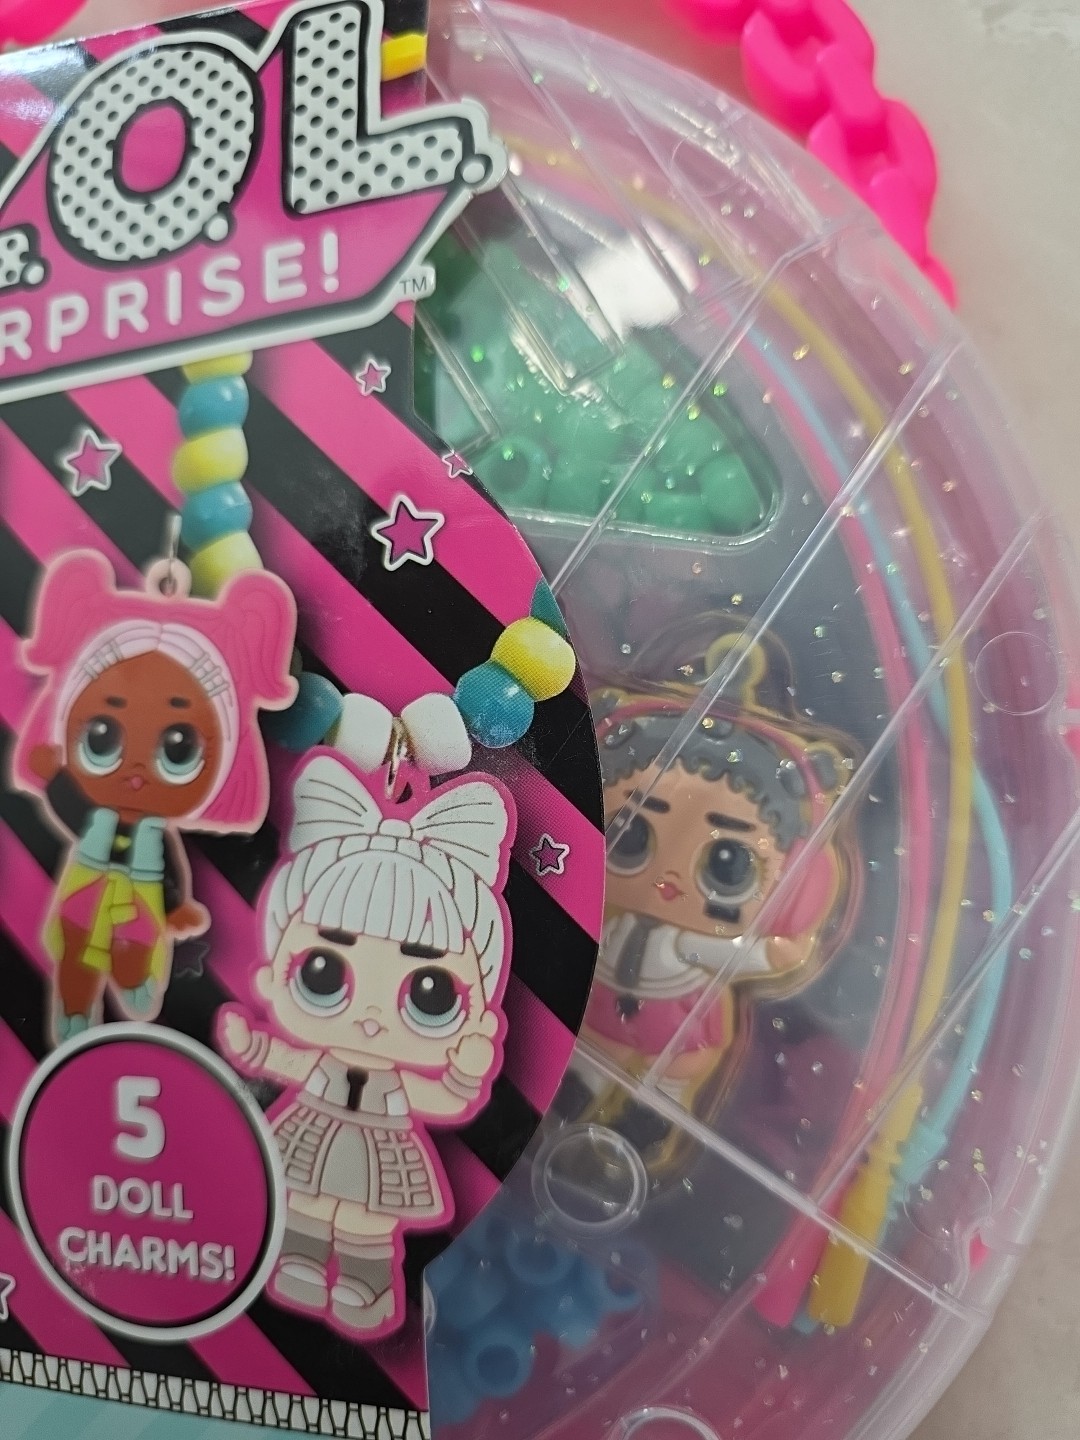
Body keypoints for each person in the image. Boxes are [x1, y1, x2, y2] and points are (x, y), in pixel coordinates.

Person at [219, 751, 515, 1339]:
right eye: (323, 973)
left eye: (430, 993)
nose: (374, 1018)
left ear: (476, 1008)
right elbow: (285, 1059)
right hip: (312, 1129)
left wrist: (464, 1074)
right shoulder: (320, 1062)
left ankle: (366, 1285)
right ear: (272, 975)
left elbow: (448, 1101)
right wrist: (251, 1046)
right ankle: (299, 1264)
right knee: (304, 1205)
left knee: (367, 1223)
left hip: (384, 1151)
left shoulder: (396, 1083)